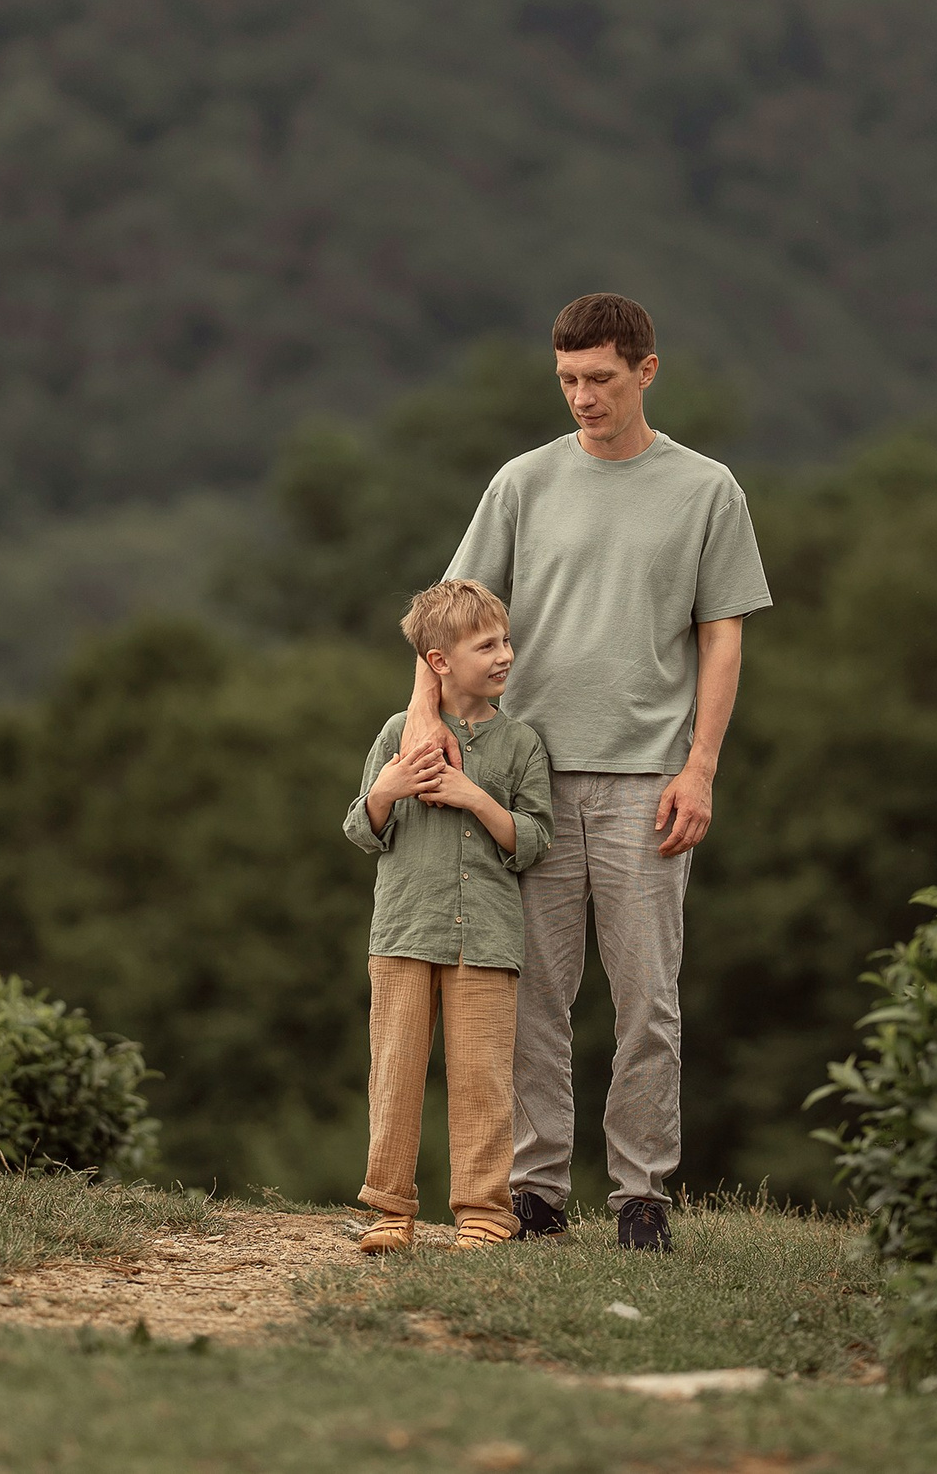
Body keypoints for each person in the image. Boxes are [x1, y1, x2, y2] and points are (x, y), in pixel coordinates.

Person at [401, 292, 770, 1253]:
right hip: (526, 781)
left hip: (651, 781)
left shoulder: (707, 490)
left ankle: (642, 1196)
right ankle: (535, 1193)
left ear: (646, 371)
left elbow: (722, 639)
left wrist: (701, 767)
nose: (581, 397)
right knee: (532, 998)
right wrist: (423, 714)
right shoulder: (522, 482)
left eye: (599, 378)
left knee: (648, 999)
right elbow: (446, 614)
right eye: (567, 379)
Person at [341, 579, 554, 1252]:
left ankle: (484, 1213)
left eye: (505, 641)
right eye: (486, 645)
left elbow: (535, 841)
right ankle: (389, 1211)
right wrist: (387, 789)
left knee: (483, 1081)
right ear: (439, 661)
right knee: (395, 1072)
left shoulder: (522, 744)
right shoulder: (397, 733)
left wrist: (473, 796)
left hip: (487, 939)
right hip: (403, 932)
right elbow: (361, 828)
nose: (505, 655)